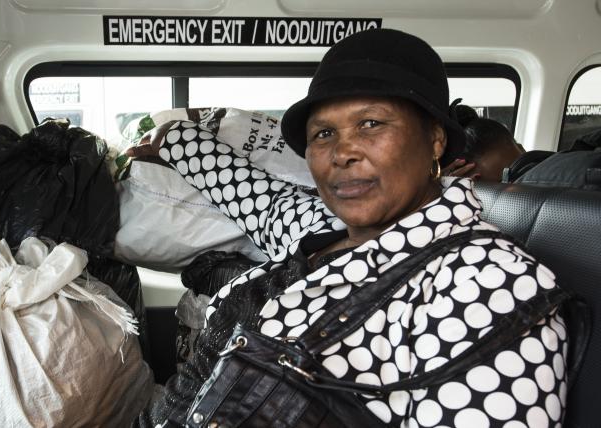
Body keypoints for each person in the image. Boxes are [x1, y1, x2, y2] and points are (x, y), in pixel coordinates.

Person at [131, 29, 569, 427]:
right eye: (322, 134)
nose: (342, 152)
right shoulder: (317, 227)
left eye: (371, 124)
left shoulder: (487, 282)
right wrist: (169, 138)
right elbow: (238, 185)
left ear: (435, 139)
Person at [443, 105, 525, 182]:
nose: (520, 186)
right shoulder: (454, 193)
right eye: (503, 181)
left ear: (521, 148)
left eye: (522, 169)